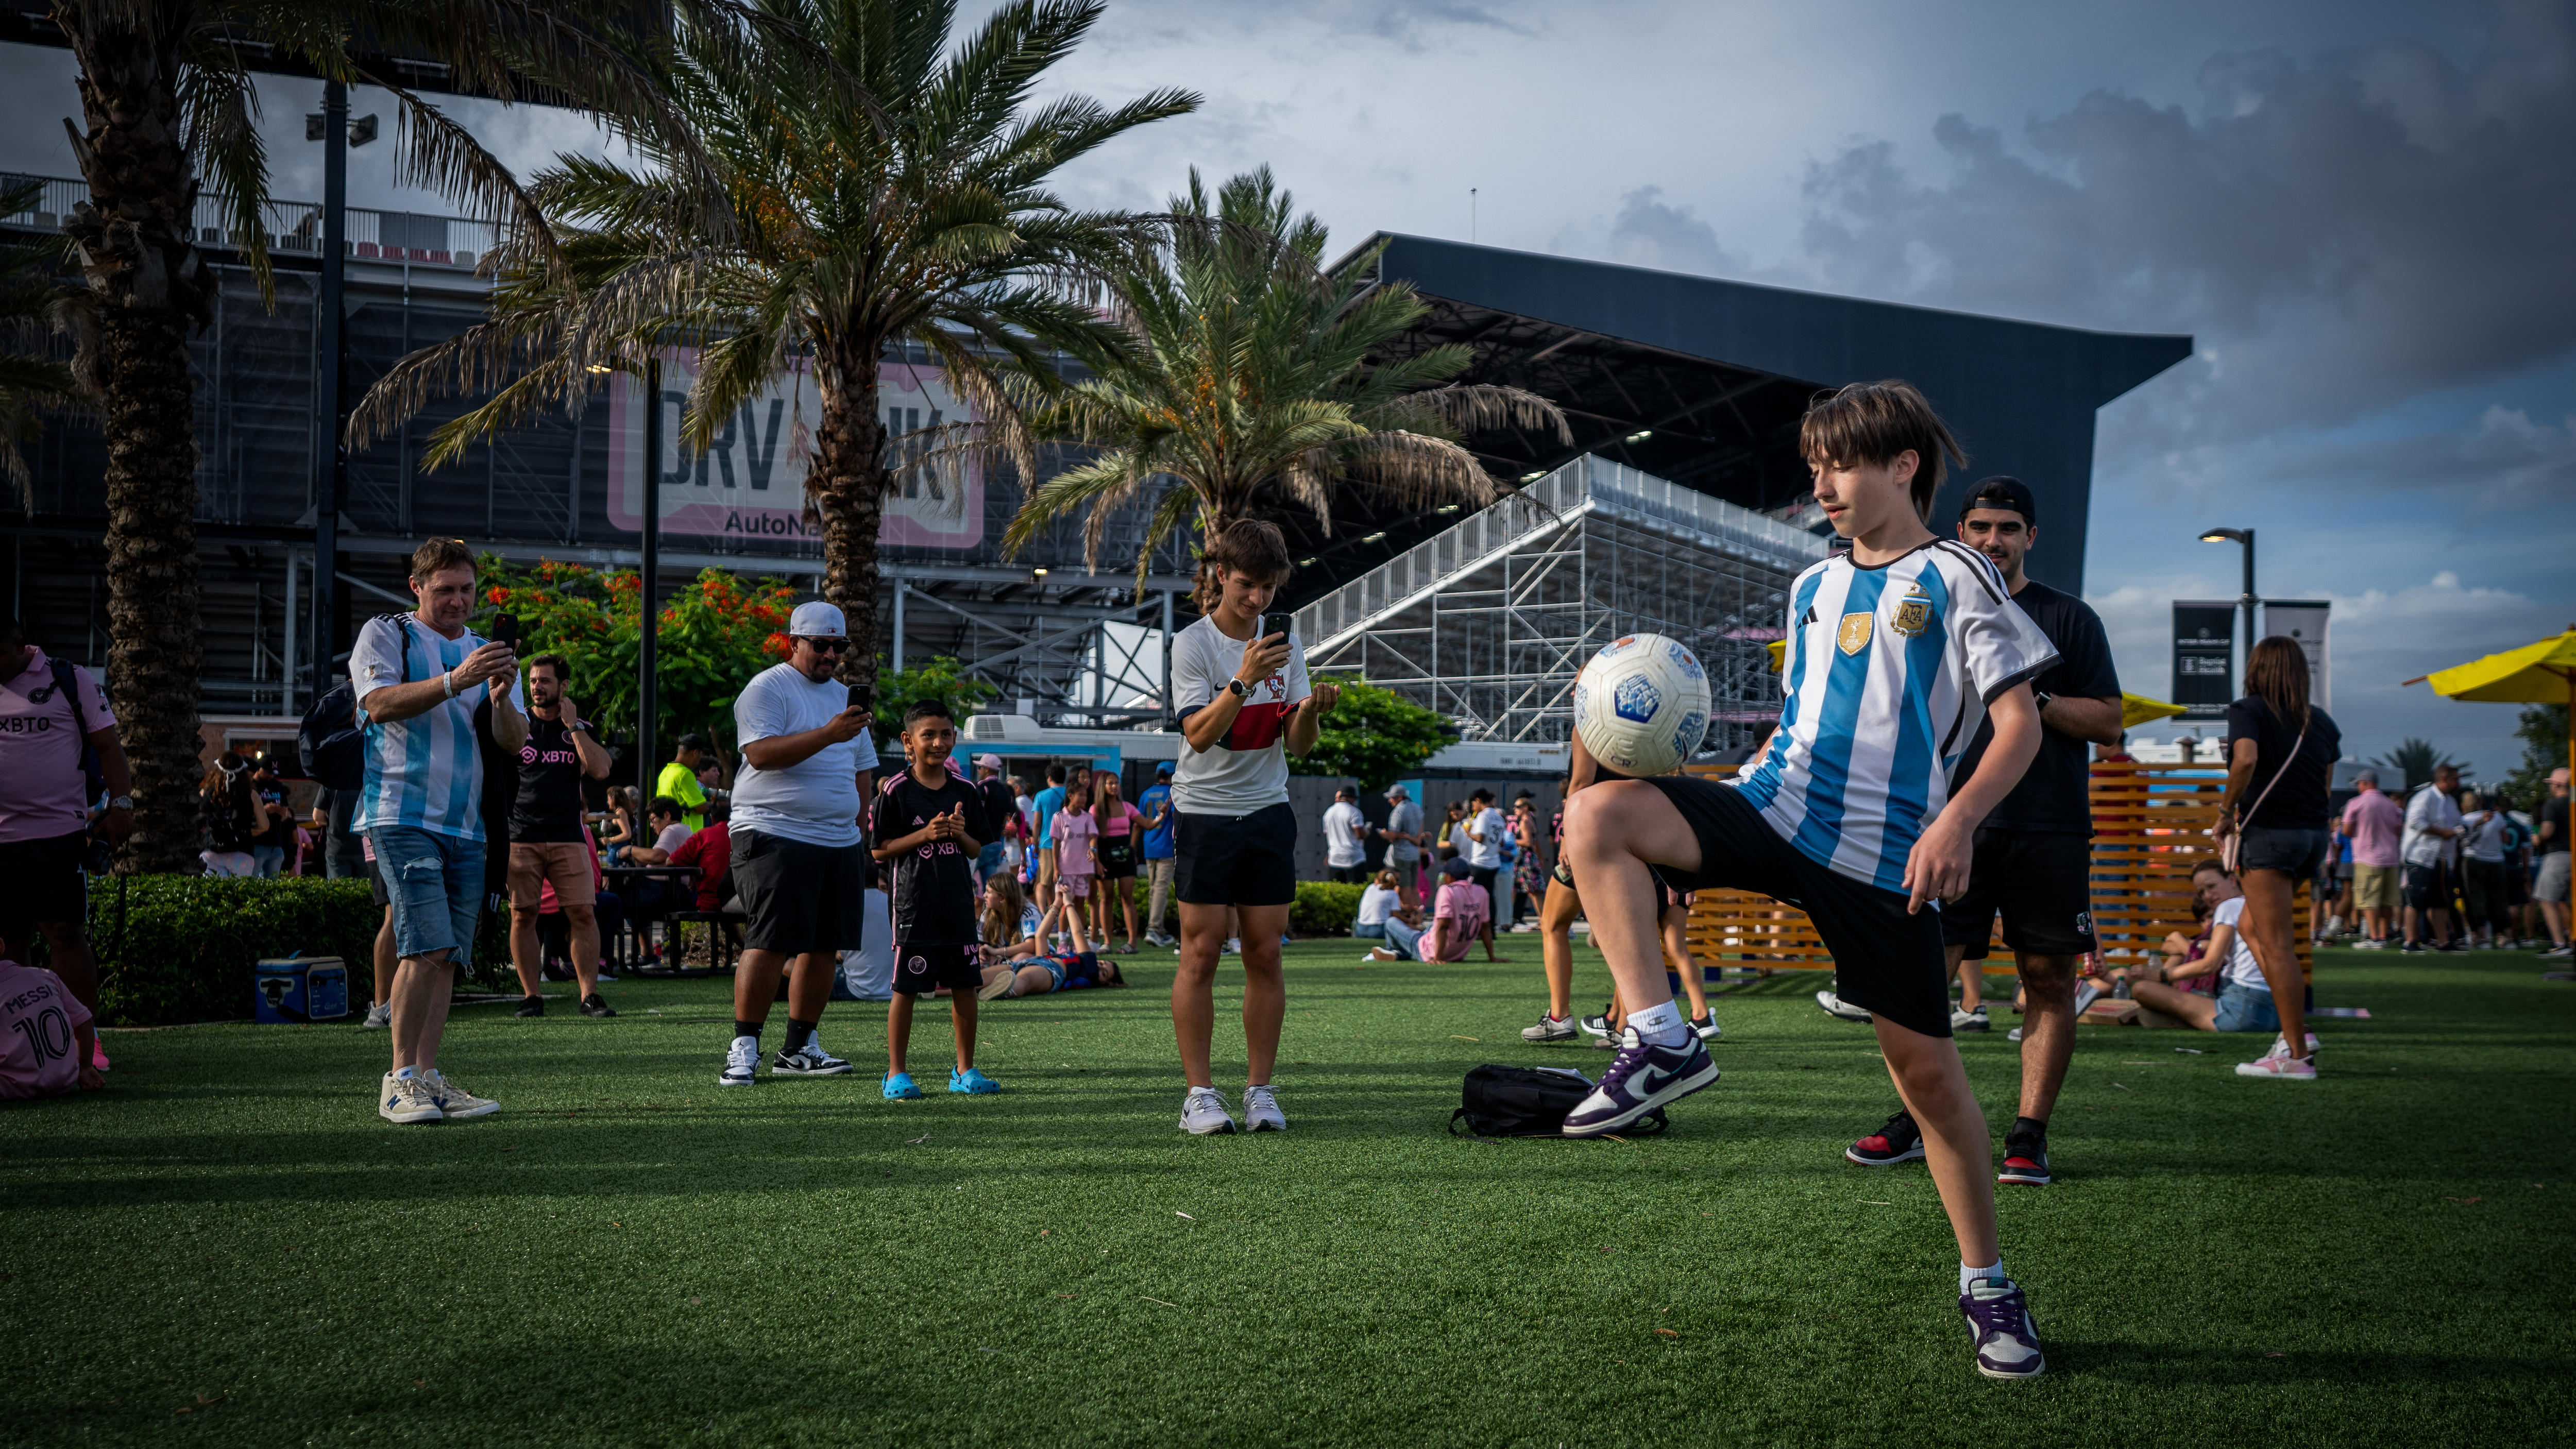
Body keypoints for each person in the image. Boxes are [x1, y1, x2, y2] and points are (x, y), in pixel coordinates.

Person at [1558, 379, 2056, 1378]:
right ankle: (1661, 1038)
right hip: (1774, 805)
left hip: (1882, 856)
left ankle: (1987, 1281)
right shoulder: (1811, 586)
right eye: (1814, 465)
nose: (1820, 483)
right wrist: (1699, 837)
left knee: (1927, 1082)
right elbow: (1806, 719)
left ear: (1901, 466)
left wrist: (1956, 819)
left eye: (1839, 464)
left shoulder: (1958, 573)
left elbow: (2019, 725)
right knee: (1595, 812)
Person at [1834, 474, 2123, 1188]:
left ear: (2032, 537)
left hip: (2048, 826)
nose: (1993, 540)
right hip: (1946, 826)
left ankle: (2029, 1136)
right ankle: (1918, 1120)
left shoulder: (2070, 616)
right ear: (1960, 531)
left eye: (2008, 528)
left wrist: (2027, 690)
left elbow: (2110, 722)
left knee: (2048, 977)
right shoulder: (1926, 607)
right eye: (1980, 527)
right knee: (1918, 976)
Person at [1168, 519, 1340, 1135]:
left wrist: (1311, 711)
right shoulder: (1191, 644)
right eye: (1245, 585)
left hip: (1267, 809)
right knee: (1201, 952)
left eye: (1267, 588)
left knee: (1266, 952)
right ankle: (1198, 1094)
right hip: (1204, 811)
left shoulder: (1285, 645)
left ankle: (1260, 1090)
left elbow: (1296, 744)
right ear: (1220, 574)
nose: (1257, 599)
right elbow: (1198, 733)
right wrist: (1242, 679)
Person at [352, 537, 524, 1124]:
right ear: (417, 587)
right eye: (445, 589)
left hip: (469, 824)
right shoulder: (386, 633)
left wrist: (499, 697)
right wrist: (457, 679)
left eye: (466, 589)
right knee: (423, 943)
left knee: (447, 954)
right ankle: (398, 1079)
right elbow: (377, 704)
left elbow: (513, 741)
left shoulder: (486, 650)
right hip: (400, 813)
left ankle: (427, 1077)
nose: (457, 600)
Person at [717, 600, 878, 1087]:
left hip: (838, 838)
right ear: (794, 642)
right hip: (772, 829)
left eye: (838, 646)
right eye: (820, 644)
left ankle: (799, 1047)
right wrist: (829, 733)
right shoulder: (768, 688)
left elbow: (863, 766)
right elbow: (761, 755)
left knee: (826, 945)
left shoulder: (844, 698)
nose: (830, 654)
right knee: (770, 939)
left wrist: (860, 828)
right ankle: (744, 1046)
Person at [0, 612, 130, 1086]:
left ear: (20, 644)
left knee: (65, 933)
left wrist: (122, 807)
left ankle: (84, 1045)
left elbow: (110, 748)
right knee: (9, 944)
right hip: (2, 842)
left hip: (58, 834)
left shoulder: (68, 678)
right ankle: (22, 1047)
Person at [2215, 635, 2343, 1079]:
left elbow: (2245, 760)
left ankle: (2297, 1055)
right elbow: (2324, 788)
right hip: (2311, 837)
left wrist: (2225, 811)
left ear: (2257, 669)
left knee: (2277, 944)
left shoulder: (2247, 710)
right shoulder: (2322, 722)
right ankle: (2297, 1032)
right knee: (2252, 926)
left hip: (2268, 836)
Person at [872, 700, 996, 1098]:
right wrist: (924, 834)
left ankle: (965, 1070)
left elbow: (977, 849)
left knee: (965, 985)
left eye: (946, 734)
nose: (939, 742)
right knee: (905, 988)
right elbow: (880, 849)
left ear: (955, 738)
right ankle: (896, 1074)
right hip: (913, 907)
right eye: (929, 735)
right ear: (909, 741)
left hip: (958, 906)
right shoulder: (896, 790)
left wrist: (959, 834)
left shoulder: (966, 790)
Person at [506, 654, 616, 1019]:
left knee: (583, 913)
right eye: (534, 680)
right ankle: (531, 996)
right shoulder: (517, 724)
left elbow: (600, 769)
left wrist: (575, 728)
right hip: (522, 836)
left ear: (563, 686)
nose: (537, 686)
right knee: (524, 915)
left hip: (568, 836)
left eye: (545, 681)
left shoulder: (579, 728)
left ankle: (589, 996)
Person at [2128, 862, 2320, 1055]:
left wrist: (2159, 975)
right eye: (2201, 892)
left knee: (2141, 989)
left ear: (2231, 879)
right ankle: (2191, 1016)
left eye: (2211, 887)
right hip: (2278, 1010)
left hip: (2242, 1007)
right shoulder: (2260, 904)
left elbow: (2209, 965)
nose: (2207, 896)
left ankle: (2189, 1018)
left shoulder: (2229, 906)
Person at [0, 924, 102, 1098]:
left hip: (14, 1086)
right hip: (65, 1079)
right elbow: (85, 1022)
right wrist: (85, 1067)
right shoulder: (46, 976)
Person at [976, 897, 1126, 999]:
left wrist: (1068, 903)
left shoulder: (1090, 969)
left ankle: (1007, 991)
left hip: (1053, 972)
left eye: (1104, 973)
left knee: (1024, 979)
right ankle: (956, 988)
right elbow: (1041, 935)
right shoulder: (1079, 962)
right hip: (1038, 961)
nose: (1099, 967)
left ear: (1105, 983)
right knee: (978, 977)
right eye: (1102, 964)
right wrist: (1057, 904)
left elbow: (1077, 933)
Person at [1365, 855, 1486, 963]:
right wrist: (1492, 958)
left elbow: (1443, 925)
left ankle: (1397, 952)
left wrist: (1437, 958)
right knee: (1433, 924)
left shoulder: (1447, 890)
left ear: (1450, 877)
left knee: (1390, 923)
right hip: (1457, 953)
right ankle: (1399, 951)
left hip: (1428, 950)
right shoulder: (1481, 891)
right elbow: (1486, 926)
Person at [2400, 763, 2464, 953]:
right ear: (2444, 779)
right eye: (2455, 779)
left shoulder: (2450, 801)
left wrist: (2460, 831)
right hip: (2421, 856)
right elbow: (2415, 821)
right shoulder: (2425, 797)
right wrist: (2442, 832)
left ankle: (2443, 942)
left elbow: (2458, 825)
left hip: (2442, 859)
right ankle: (2411, 942)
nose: (2458, 783)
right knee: (2416, 900)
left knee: (2442, 902)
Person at [2340, 770, 2402, 948]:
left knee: (2369, 900)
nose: (2358, 787)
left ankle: (2374, 938)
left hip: (2367, 857)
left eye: (2359, 784)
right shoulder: (2392, 805)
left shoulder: (2356, 803)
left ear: (2366, 783)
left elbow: (2346, 831)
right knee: (2387, 900)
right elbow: (2398, 831)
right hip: (2390, 857)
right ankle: (2383, 936)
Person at [1093, 773, 1144, 952]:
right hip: (1104, 856)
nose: (1115, 786)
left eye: (1117, 783)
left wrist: (1160, 817)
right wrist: (1096, 860)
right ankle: (1107, 942)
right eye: (1110, 783)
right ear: (1103, 786)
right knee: (1106, 898)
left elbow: (1147, 824)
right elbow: (1090, 837)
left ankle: (1132, 944)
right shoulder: (1096, 810)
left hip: (1125, 856)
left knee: (1127, 897)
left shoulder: (1127, 806)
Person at [2459, 790, 2515, 950]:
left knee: (2477, 899)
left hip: (2473, 860)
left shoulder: (2465, 820)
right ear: (2480, 802)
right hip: (2497, 862)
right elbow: (2506, 839)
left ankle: (2483, 938)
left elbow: (2460, 840)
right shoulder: (2497, 816)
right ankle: (2506, 937)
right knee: (2500, 899)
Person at [1139, 762, 1178, 947]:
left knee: (1154, 888)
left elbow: (1138, 822)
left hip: (1149, 845)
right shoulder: (1173, 793)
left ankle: (1158, 929)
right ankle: (1154, 929)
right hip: (1166, 847)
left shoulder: (1146, 793)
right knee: (1161, 888)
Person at [2536, 768, 2570, 959]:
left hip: (2557, 856)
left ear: (2557, 785)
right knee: (2569, 902)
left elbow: (2548, 831)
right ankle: (2572, 940)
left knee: (2546, 900)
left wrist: (2538, 839)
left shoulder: (2552, 805)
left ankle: (2559, 943)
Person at [971, 755, 1018, 888]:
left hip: (979, 844)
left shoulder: (982, 787)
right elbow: (1005, 821)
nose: (979, 771)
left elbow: (976, 815)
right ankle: (991, 909)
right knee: (991, 888)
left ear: (987, 769)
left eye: (980, 768)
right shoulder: (1006, 791)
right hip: (996, 844)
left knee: (965, 882)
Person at [1031, 763, 1069, 917]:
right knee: (1062, 882)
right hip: (1068, 844)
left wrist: (1034, 842)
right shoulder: (1070, 794)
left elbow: (1037, 823)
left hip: (1047, 843)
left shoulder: (1041, 796)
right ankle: (1060, 913)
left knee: (1043, 882)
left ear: (1049, 778)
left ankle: (1043, 914)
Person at [1378, 784, 1423, 910]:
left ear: (1399, 797)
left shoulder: (1398, 811)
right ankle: (1419, 914)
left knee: (1404, 886)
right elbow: (1420, 834)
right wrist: (1412, 838)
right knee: (1414, 886)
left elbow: (1392, 835)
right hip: (1415, 854)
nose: (1390, 800)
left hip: (1402, 855)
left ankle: (1407, 914)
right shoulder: (1417, 808)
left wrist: (1383, 834)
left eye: (1391, 798)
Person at [658, 734, 714, 833]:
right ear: (696, 753)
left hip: (670, 833)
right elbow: (702, 808)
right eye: (701, 755)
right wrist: (711, 804)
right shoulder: (685, 774)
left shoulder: (665, 772)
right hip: (687, 836)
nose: (700, 759)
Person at [1321, 786, 1368, 884]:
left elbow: (1329, 835)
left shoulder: (1328, 812)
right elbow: (1360, 835)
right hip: (1354, 858)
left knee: (1336, 892)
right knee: (1357, 891)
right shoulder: (1354, 812)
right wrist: (1367, 831)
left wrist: (1328, 855)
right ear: (1351, 798)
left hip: (1334, 858)